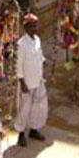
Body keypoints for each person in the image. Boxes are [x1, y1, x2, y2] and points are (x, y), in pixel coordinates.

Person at [14, 13, 48, 147]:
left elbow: (40, 56)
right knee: (24, 108)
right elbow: (18, 64)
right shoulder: (21, 44)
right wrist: (22, 82)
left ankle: (34, 129)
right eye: (32, 26)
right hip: (26, 82)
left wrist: (44, 62)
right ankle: (21, 133)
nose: (35, 28)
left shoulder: (37, 40)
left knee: (38, 106)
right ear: (26, 27)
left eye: (36, 25)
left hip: (38, 80)